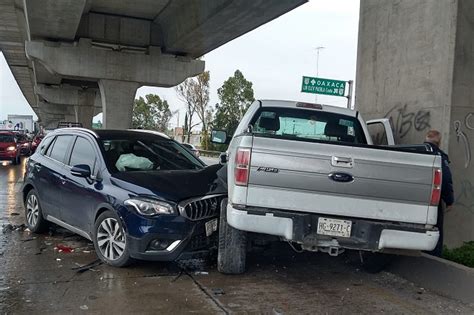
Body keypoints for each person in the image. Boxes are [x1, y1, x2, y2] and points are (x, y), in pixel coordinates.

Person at [424, 130, 454, 256]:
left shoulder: (416, 152)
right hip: (433, 200)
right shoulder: (440, 156)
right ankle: (433, 258)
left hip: (415, 198)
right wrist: (449, 201)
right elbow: (445, 180)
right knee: (434, 229)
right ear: (439, 142)